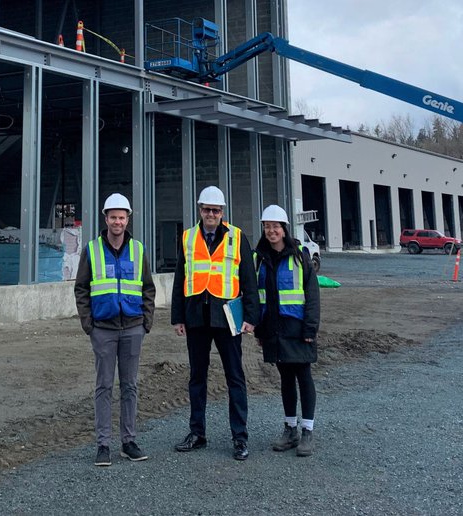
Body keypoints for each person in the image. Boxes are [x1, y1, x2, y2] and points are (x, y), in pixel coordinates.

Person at [171, 185, 260, 461]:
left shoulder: (237, 236)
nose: (211, 214)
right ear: (200, 210)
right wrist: (178, 317)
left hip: (227, 317)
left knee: (235, 377)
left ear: (222, 212)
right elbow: (179, 279)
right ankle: (197, 433)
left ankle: (240, 437)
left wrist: (251, 317)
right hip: (196, 316)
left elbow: (248, 279)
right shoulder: (188, 237)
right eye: (207, 209)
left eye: (216, 210)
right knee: (197, 378)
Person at [73, 193, 156, 467]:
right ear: (105, 218)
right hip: (103, 329)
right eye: (113, 217)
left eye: (122, 217)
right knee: (104, 387)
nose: (117, 222)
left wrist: (146, 321)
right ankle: (103, 445)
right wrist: (89, 324)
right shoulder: (92, 249)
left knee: (130, 386)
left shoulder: (138, 250)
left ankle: (128, 441)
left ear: (127, 219)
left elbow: (148, 288)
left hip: (132, 328)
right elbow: (81, 288)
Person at [253, 204, 321, 457]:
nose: (271, 231)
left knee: (304, 377)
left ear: (284, 229)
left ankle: (307, 431)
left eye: (275, 227)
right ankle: (290, 428)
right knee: (285, 379)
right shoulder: (258, 258)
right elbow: (256, 296)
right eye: (267, 227)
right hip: (273, 329)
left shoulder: (300, 256)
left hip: (298, 327)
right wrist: (260, 330)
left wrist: (310, 329)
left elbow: (312, 296)